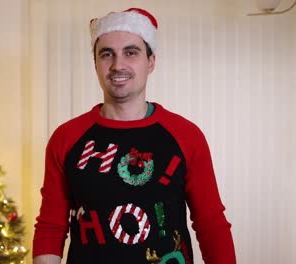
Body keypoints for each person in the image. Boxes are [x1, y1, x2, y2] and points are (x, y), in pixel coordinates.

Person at [33, 7, 236, 264]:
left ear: (150, 62)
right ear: (95, 63)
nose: (118, 65)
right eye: (107, 54)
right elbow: (51, 227)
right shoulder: (67, 138)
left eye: (131, 52)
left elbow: (211, 225)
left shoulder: (186, 136)